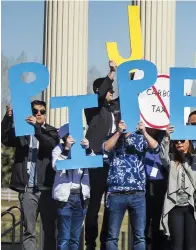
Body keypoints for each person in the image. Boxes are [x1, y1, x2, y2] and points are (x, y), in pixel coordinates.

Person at [1, 101, 59, 250]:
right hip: (27, 190)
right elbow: (5, 138)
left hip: (46, 189)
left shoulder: (52, 131)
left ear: (45, 114)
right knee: (28, 231)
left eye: (42, 111)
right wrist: (8, 118)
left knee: (50, 230)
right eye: (35, 111)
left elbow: (50, 145)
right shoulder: (22, 132)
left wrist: (37, 128)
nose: (38, 114)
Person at [103, 120, 159, 250]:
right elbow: (105, 149)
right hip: (116, 193)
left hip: (137, 194)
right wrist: (118, 133)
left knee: (139, 236)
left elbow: (156, 148)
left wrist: (144, 132)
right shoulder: (112, 137)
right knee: (112, 236)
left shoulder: (140, 138)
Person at [84, 61, 120, 250]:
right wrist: (111, 73)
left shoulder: (113, 108)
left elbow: (130, 96)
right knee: (94, 205)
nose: (112, 92)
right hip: (97, 162)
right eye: (109, 89)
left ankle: (107, 242)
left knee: (111, 205)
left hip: (114, 164)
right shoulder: (92, 108)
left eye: (113, 89)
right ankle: (90, 243)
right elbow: (99, 95)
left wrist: (135, 78)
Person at [52, 123, 94, 250]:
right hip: (65, 198)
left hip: (81, 197)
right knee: (64, 238)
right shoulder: (58, 149)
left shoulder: (82, 149)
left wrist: (87, 148)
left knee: (75, 239)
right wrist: (66, 149)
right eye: (70, 136)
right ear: (65, 137)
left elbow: (94, 163)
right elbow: (56, 165)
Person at [160, 125, 196, 250]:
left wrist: (187, 156)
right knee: (177, 245)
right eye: (176, 142)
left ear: (189, 141)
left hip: (192, 206)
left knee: (191, 244)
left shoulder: (194, 160)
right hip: (175, 207)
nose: (179, 143)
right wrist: (166, 137)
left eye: (182, 140)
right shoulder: (172, 161)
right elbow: (163, 156)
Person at [144, 128, 168, 250]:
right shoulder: (140, 135)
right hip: (144, 183)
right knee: (143, 221)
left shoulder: (165, 135)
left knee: (159, 220)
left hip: (162, 182)